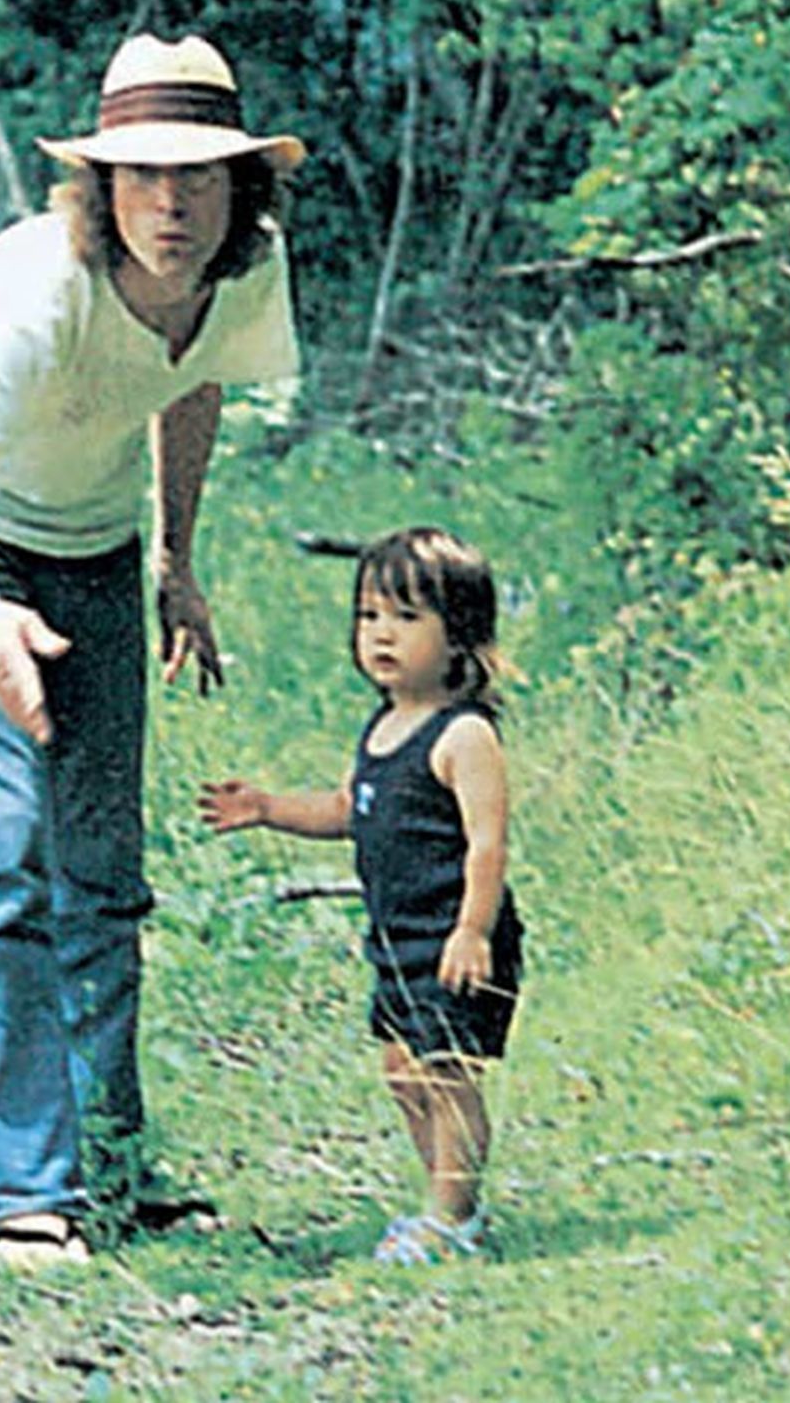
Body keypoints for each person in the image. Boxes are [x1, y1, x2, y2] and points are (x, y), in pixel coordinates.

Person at [0, 34, 306, 1268]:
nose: (173, 205)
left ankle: (109, 1170)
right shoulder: (36, 291)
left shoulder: (247, 270)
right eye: (145, 178)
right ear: (101, 188)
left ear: (242, 190)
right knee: (6, 855)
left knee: (103, 869)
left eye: (202, 179)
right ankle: (21, 1196)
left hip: (101, 549)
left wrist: (178, 560)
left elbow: (195, 383)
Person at [199, 527, 524, 1263]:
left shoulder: (463, 735)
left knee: (447, 1073)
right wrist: (269, 807)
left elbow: (488, 843)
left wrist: (472, 931)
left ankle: (455, 1217)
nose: (382, 635)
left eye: (407, 619)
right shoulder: (383, 726)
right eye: (370, 616)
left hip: (452, 940)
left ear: (459, 636)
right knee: (404, 1073)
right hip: (396, 941)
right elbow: (350, 811)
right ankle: (440, 1201)